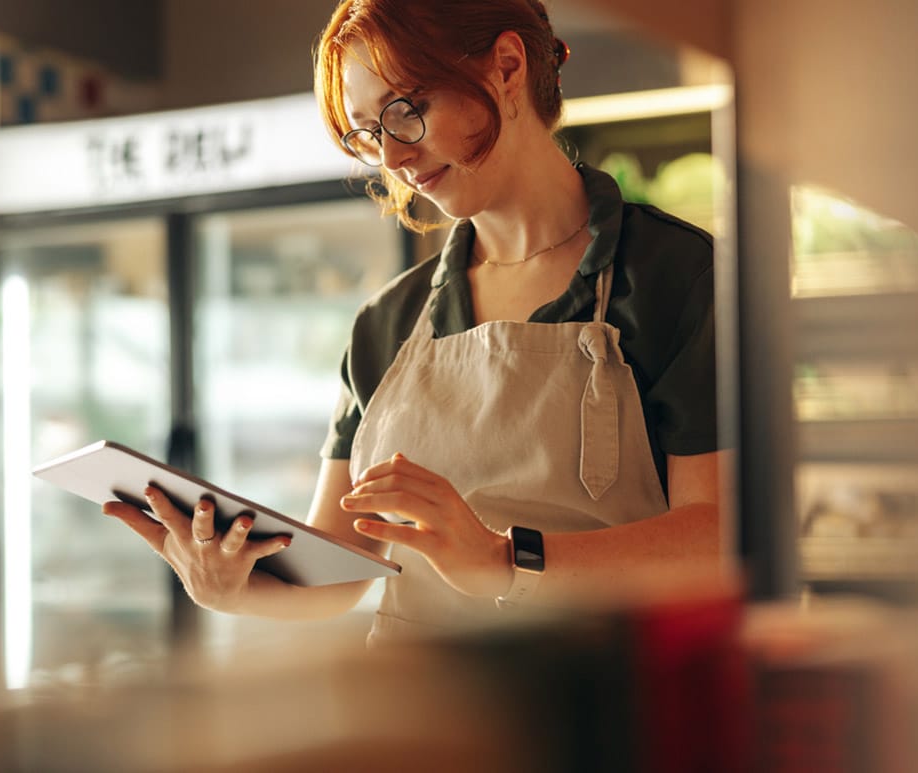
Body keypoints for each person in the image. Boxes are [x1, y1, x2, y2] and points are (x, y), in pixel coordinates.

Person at [103, 0, 728, 645]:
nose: (394, 159)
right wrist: (233, 586)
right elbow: (341, 573)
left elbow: (718, 536)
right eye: (368, 134)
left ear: (507, 68)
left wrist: (504, 562)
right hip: (416, 723)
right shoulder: (388, 323)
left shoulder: (672, 276)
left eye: (406, 112)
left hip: (599, 715)